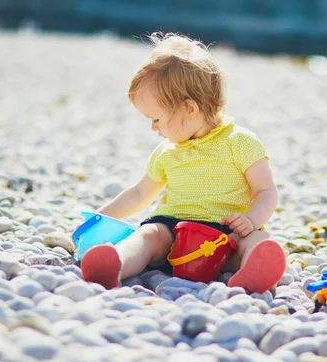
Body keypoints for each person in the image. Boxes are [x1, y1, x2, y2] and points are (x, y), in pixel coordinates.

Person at [80, 32, 286, 294]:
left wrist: (251, 219)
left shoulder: (241, 142)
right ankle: (115, 264)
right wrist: (100, 218)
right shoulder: (167, 151)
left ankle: (254, 272)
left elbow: (266, 191)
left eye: (156, 119)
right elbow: (141, 192)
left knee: (257, 239)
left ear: (189, 109)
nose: (153, 128)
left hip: (226, 235)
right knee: (148, 236)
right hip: (174, 234)